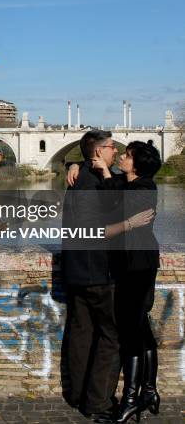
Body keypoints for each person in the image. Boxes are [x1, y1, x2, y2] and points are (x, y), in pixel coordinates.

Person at [90, 141, 161, 423]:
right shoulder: (125, 182)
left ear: (138, 164)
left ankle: (131, 400)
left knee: (131, 331)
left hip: (139, 265)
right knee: (140, 327)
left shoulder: (145, 187)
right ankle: (149, 391)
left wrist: (107, 174)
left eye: (127, 155)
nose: (121, 156)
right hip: (127, 264)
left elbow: (116, 204)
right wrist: (75, 165)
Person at [61, 130, 122, 423]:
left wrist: (71, 163)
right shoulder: (100, 182)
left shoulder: (80, 176)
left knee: (81, 334)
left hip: (75, 271)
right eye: (112, 147)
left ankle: (76, 394)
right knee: (111, 337)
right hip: (99, 271)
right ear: (98, 152)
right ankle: (98, 403)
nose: (116, 151)